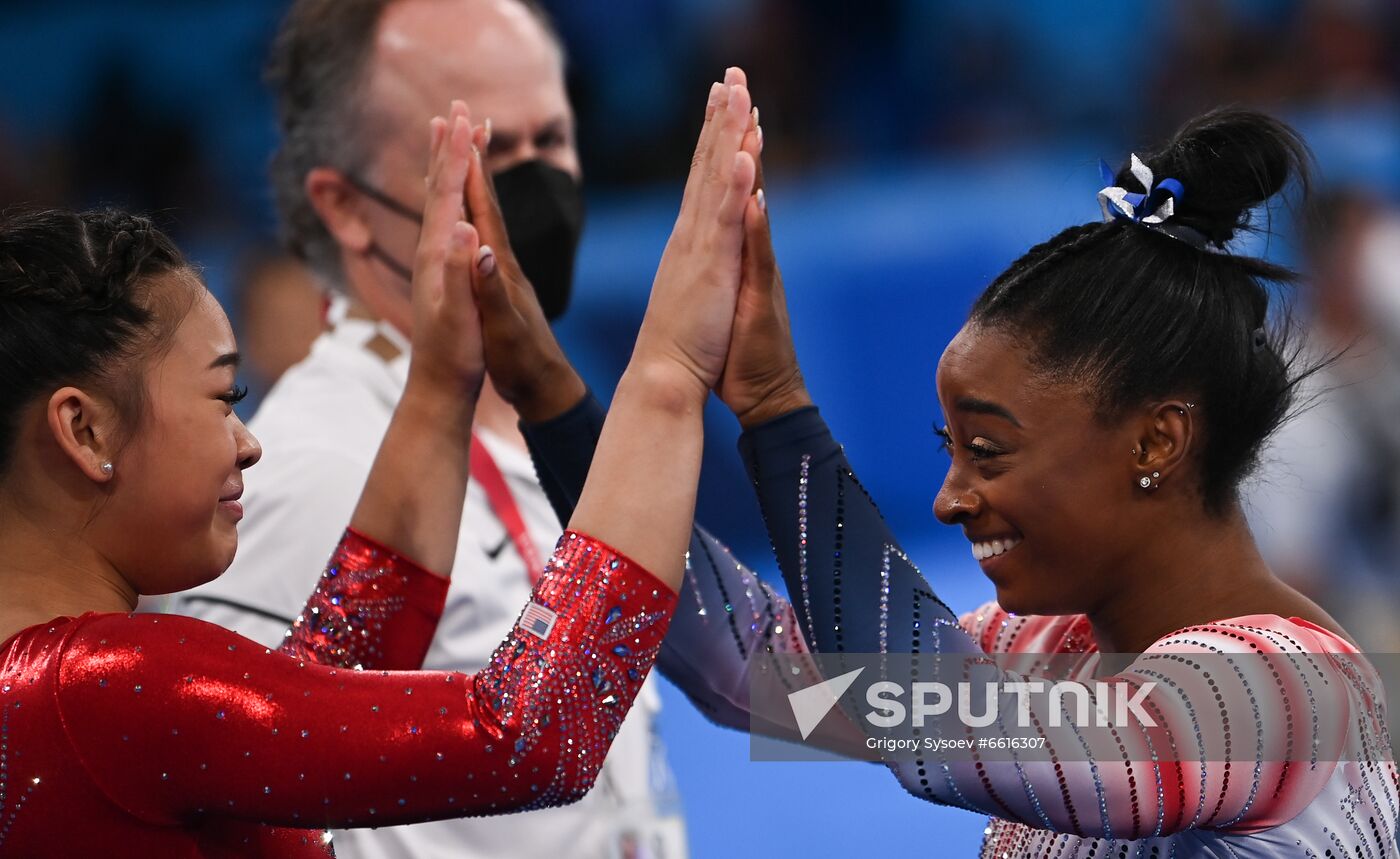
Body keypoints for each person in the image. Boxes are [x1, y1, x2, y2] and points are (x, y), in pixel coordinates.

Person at [0, 80, 763, 857]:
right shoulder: (100, 686)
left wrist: (438, 382)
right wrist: (669, 372)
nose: (247, 441)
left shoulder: (65, 700)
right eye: (222, 397)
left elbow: (319, 690)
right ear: (83, 426)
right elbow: (534, 733)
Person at [168, 6, 801, 855]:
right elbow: (229, 813)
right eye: (492, 152)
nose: (538, 185)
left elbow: (760, 676)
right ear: (347, 209)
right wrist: (695, 379)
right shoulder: (308, 465)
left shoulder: (547, 432)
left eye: (552, 139)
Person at [700, 108, 1395, 855]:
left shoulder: (1281, 695)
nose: (949, 499)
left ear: (1156, 441)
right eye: (952, 448)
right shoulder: (1051, 650)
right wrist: (578, 412)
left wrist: (775, 407)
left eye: (989, 450)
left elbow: (929, 730)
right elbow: (758, 671)